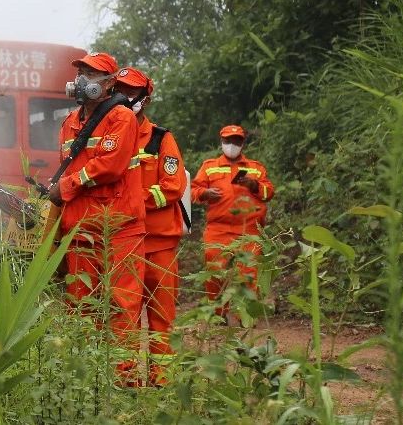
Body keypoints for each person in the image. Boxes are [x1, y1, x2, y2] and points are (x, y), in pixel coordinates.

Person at [48, 52, 144, 358]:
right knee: (80, 306)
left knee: (121, 306)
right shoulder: (69, 123)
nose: (82, 81)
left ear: (109, 83)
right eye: (81, 73)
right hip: (80, 230)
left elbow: (110, 166)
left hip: (118, 227)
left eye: (91, 74)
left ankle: (122, 382)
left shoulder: (122, 117)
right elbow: (67, 166)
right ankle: (86, 382)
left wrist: (67, 186)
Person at [113, 67, 186, 386]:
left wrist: (135, 200)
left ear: (146, 98)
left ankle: (161, 384)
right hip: (123, 244)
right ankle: (126, 386)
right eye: (118, 90)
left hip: (160, 246)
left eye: (131, 93)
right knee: (122, 320)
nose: (125, 98)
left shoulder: (160, 139)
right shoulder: (109, 137)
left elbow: (172, 185)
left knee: (161, 320)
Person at [191, 124, 274, 316]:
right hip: (218, 230)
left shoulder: (256, 168)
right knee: (215, 273)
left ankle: (244, 318)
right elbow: (193, 191)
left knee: (249, 275)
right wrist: (205, 193)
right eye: (228, 141)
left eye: (236, 141)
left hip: (250, 232)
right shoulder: (209, 167)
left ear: (243, 143)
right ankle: (218, 317)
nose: (231, 145)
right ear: (221, 142)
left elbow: (269, 192)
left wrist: (254, 185)